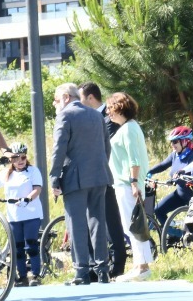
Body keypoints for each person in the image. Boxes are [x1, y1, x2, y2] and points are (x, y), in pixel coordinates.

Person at [48, 83, 114, 285]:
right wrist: (100, 166)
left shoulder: (66, 115)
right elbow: (106, 147)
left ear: (66, 97)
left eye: (57, 100)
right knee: (98, 222)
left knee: (75, 223)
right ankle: (103, 270)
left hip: (75, 176)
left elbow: (59, 149)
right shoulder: (96, 114)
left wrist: (54, 177)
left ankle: (81, 271)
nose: (55, 104)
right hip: (99, 174)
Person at [80, 82, 127, 278]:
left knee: (112, 221)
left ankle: (118, 263)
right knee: (99, 222)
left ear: (91, 98)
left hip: (108, 178)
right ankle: (100, 265)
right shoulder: (94, 118)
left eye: (82, 99)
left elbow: (103, 149)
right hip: (96, 178)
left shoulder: (108, 119)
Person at [104, 92, 154, 281]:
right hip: (124, 183)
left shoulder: (128, 129)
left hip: (127, 183)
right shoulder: (128, 128)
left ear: (119, 107)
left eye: (110, 108)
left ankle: (142, 266)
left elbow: (134, 159)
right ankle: (139, 265)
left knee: (133, 226)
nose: (108, 112)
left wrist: (134, 183)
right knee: (132, 225)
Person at [147, 125, 193, 230]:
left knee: (191, 227)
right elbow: (162, 165)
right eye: (171, 142)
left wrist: (178, 179)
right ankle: (174, 234)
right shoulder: (174, 155)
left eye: (175, 142)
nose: (172, 145)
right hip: (180, 195)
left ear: (185, 141)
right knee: (158, 210)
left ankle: (188, 236)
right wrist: (149, 172)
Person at [0, 144, 44, 287]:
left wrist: (27, 198)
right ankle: (22, 276)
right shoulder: (7, 174)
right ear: (11, 160)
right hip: (14, 216)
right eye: (16, 158)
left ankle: (36, 274)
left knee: (30, 245)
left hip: (31, 214)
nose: (20, 160)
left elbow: (37, 189)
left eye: (23, 157)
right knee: (17, 248)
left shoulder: (33, 171)